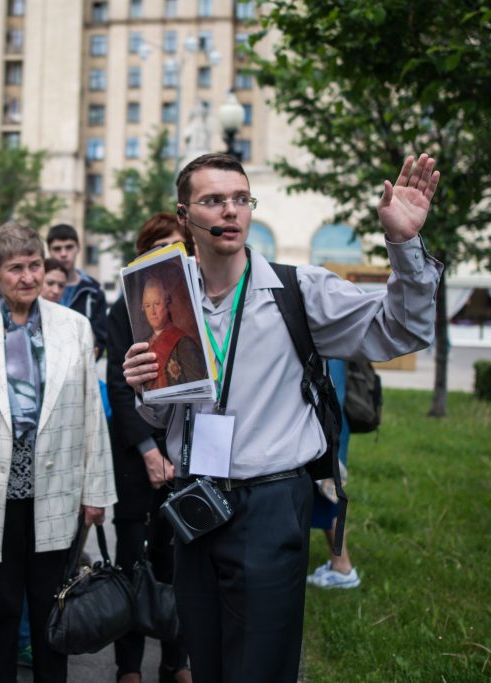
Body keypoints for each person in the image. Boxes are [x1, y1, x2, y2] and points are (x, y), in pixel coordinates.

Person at [122, 152, 442, 682]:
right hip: (195, 502)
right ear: (184, 216)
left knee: (260, 668)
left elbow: (402, 329)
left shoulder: (299, 289)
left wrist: (404, 245)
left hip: (268, 506)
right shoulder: (167, 299)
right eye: (213, 200)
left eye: (240, 198)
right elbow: (161, 419)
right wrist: (145, 387)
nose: (230, 210)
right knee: (206, 663)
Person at [0, 222, 117, 683]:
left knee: (52, 608)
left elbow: (91, 414)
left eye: (35, 265)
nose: (29, 276)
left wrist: (96, 491)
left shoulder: (74, 327)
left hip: (55, 490)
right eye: (15, 268)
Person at [107, 213, 194, 683]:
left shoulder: (196, 306)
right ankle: (128, 666)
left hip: (187, 454)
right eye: (158, 247)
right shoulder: (123, 311)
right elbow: (120, 389)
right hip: (134, 456)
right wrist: (147, 449)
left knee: (179, 560)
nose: (168, 255)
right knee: (131, 562)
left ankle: (176, 660)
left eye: (177, 246)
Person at [307, 358, 360, 589]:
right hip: (329, 423)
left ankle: (342, 566)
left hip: (325, 426)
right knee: (327, 491)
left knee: (328, 493)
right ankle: (340, 564)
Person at [46, 223, 107, 355]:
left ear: (78, 247)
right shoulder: (37, 287)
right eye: (57, 249)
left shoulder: (94, 293)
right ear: (49, 250)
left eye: (69, 247)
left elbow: (100, 339)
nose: (63, 254)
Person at [139, 277, 207, 390]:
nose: (152, 312)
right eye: (147, 305)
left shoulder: (184, 344)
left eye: (157, 303)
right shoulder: (143, 346)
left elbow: (200, 389)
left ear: (167, 303)